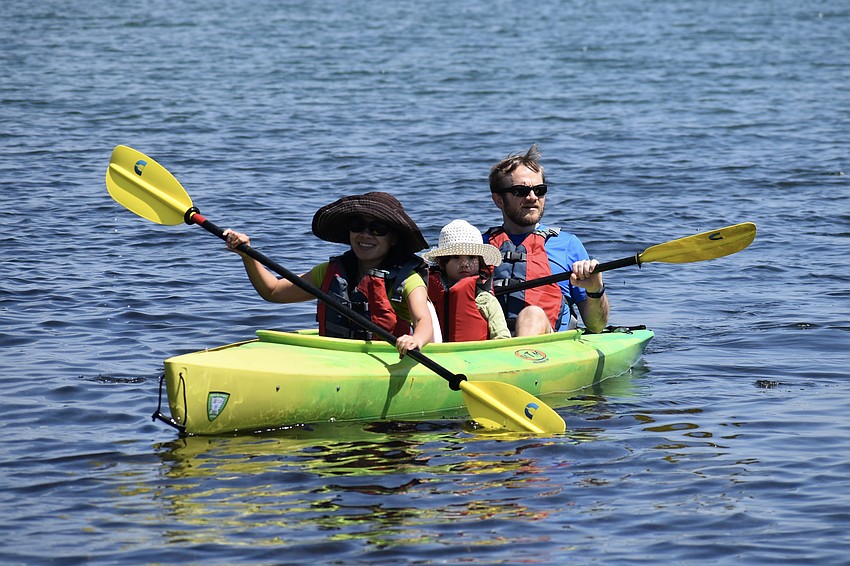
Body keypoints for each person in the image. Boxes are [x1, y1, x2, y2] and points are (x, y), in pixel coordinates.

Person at [223, 192, 435, 357]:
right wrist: (247, 254)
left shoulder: (407, 280)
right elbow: (273, 291)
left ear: (394, 239)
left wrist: (415, 340)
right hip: (336, 358)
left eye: (378, 229)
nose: (365, 235)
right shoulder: (328, 272)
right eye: (357, 226)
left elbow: (423, 319)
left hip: (387, 359)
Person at [485, 144, 609, 336]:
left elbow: (596, 326)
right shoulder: (478, 246)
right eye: (521, 191)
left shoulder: (568, 245)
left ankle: (520, 361)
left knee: (532, 314)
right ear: (499, 200)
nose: (533, 197)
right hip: (487, 343)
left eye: (540, 190)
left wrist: (595, 290)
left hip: (547, 348)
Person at [422, 219, 510, 341]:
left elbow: (502, 336)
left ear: (480, 263)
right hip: (436, 354)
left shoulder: (485, 300)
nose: (464, 264)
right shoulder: (426, 297)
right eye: (456, 257)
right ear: (442, 264)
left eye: (471, 257)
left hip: (476, 356)